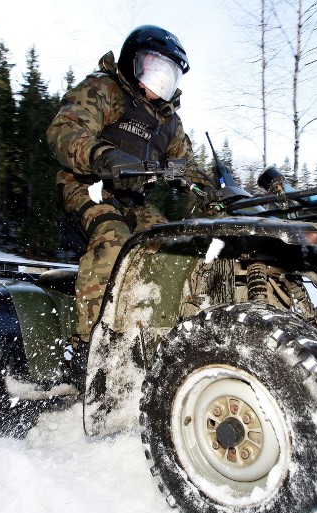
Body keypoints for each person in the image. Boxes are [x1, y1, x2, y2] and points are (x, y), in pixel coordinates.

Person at [46, 25, 213, 363]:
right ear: (132, 64)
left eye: (169, 75)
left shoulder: (169, 123)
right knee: (114, 242)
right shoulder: (105, 89)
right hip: (87, 187)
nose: (161, 82)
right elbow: (63, 130)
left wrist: (213, 192)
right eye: (155, 70)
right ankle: (87, 348)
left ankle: (165, 335)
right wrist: (102, 156)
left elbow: (187, 166)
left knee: (175, 247)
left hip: (135, 201)